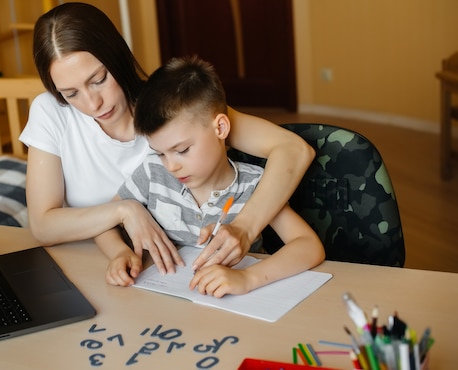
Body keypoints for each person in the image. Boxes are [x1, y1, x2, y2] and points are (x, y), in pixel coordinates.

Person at [19, 2, 315, 275]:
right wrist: (124, 210)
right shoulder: (51, 112)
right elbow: (43, 226)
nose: (92, 103)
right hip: (101, 267)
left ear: (117, 58)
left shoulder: (168, 108)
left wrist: (246, 228)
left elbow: (293, 149)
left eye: (99, 80)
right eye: (71, 94)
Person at [94, 56, 325, 296]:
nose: (171, 166)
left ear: (221, 128)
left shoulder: (255, 186)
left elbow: (309, 246)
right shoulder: (153, 173)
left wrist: (247, 278)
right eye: (160, 153)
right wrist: (119, 253)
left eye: (182, 150)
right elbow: (104, 223)